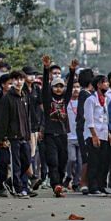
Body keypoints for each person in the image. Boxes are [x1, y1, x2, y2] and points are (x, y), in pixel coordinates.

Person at [40, 55, 77, 198]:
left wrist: (72, 71)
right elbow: (44, 86)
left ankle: (59, 183)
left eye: (61, 86)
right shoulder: (47, 99)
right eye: (56, 86)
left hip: (62, 134)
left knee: (63, 161)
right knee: (53, 161)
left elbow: (69, 90)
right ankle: (55, 184)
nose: (58, 88)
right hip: (50, 135)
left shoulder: (65, 99)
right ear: (51, 87)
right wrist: (46, 69)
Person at [0, 71, 33, 198]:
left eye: (21, 79)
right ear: (12, 81)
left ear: (24, 80)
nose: (19, 82)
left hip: (25, 136)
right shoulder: (7, 98)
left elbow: (27, 118)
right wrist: (3, 137)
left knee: (27, 161)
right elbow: (3, 120)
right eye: (16, 79)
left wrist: (29, 134)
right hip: (13, 137)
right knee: (16, 164)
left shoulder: (24, 96)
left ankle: (9, 182)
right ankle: (18, 189)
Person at [84, 75, 111, 196]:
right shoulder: (91, 100)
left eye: (107, 82)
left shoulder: (106, 99)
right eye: (104, 82)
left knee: (104, 162)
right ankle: (93, 187)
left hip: (104, 134)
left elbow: (105, 119)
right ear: (98, 85)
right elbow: (89, 119)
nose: (107, 84)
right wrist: (94, 136)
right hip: (93, 135)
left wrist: (109, 134)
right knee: (94, 162)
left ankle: (101, 186)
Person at [76, 68, 94, 195]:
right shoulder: (84, 94)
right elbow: (84, 114)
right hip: (84, 129)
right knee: (86, 156)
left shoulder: (87, 94)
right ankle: (83, 182)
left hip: (85, 128)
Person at [66, 83, 82, 191]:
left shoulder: (83, 102)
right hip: (69, 136)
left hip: (80, 136)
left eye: (77, 87)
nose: (75, 89)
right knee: (71, 159)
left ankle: (77, 182)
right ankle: (68, 177)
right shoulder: (66, 102)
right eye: (73, 87)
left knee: (80, 162)